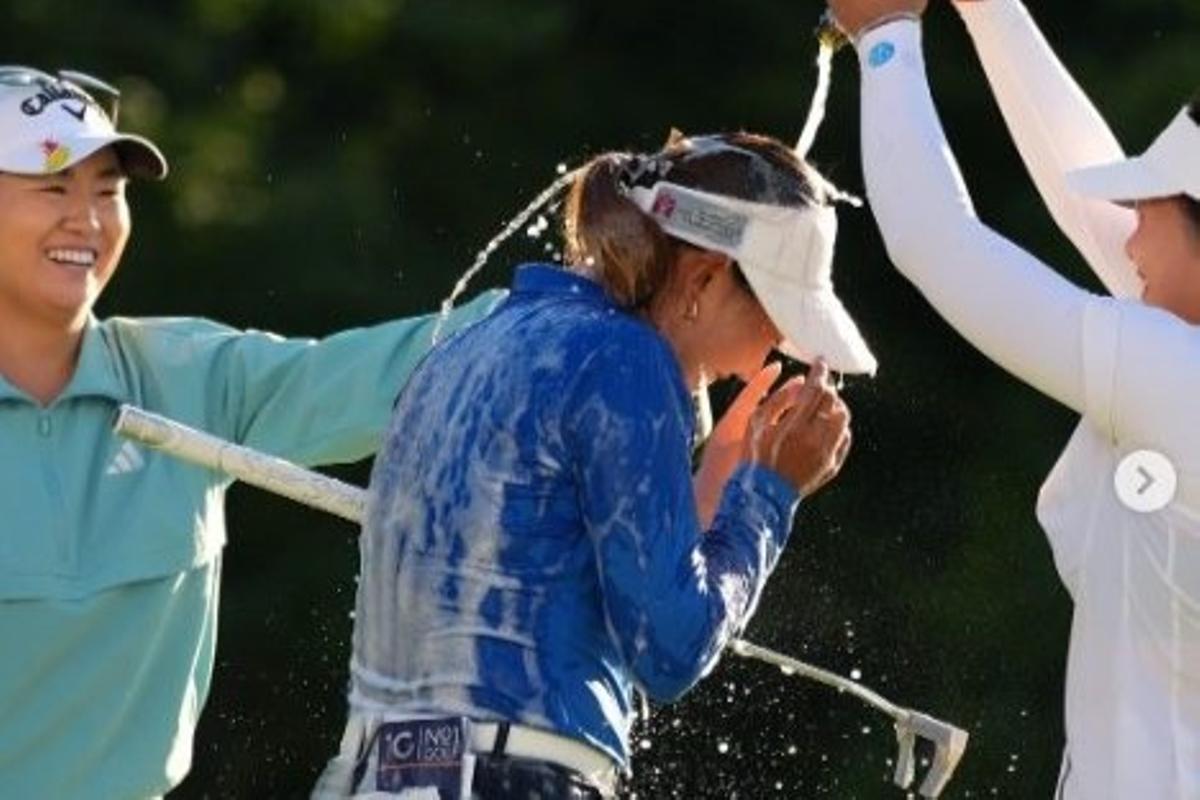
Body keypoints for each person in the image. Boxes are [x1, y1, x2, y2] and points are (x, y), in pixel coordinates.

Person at [312, 131, 871, 799]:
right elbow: (668, 651)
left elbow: (555, 589)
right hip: (515, 777)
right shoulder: (626, 360)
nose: (778, 346)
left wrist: (719, 474)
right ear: (703, 277)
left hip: (376, 772)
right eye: (778, 315)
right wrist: (767, 495)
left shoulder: (473, 344)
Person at [0, 66, 500, 798]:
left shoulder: (188, 377)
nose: (90, 219)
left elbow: (388, 376)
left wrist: (585, 311)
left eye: (109, 191)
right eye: (54, 188)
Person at [827, 0, 1200, 796]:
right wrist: (989, 12)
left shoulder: (1178, 377)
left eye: (1150, 209)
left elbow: (937, 244)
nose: (1128, 238)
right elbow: (1092, 214)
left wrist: (885, 39)